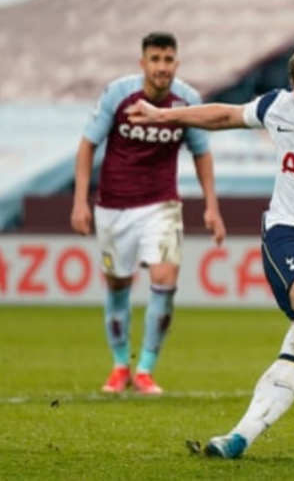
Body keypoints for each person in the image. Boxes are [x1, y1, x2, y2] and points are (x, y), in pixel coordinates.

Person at [126, 39, 294, 459]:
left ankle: (238, 438)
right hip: (290, 231)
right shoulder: (279, 106)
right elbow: (226, 114)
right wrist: (165, 115)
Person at [70, 32, 226, 395]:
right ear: (143, 64)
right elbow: (87, 145)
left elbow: (201, 153)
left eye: (168, 59)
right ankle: (120, 364)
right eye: (155, 60)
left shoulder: (186, 100)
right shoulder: (117, 94)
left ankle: (146, 370)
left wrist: (212, 207)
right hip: (114, 206)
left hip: (161, 204)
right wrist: (80, 201)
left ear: (176, 63)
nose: (161, 67)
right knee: (118, 285)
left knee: (165, 280)